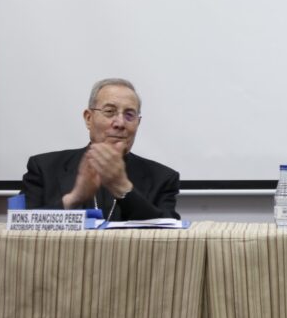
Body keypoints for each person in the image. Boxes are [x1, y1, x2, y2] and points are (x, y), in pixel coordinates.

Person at [21, 78, 180, 220]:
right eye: (109, 112)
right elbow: (19, 226)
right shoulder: (44, 168)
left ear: (138, 123)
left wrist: (123, 188)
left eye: (129, 115)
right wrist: (73, 198)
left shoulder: (163, 178)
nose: (120, 123)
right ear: (88, 118)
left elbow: (169, 235)